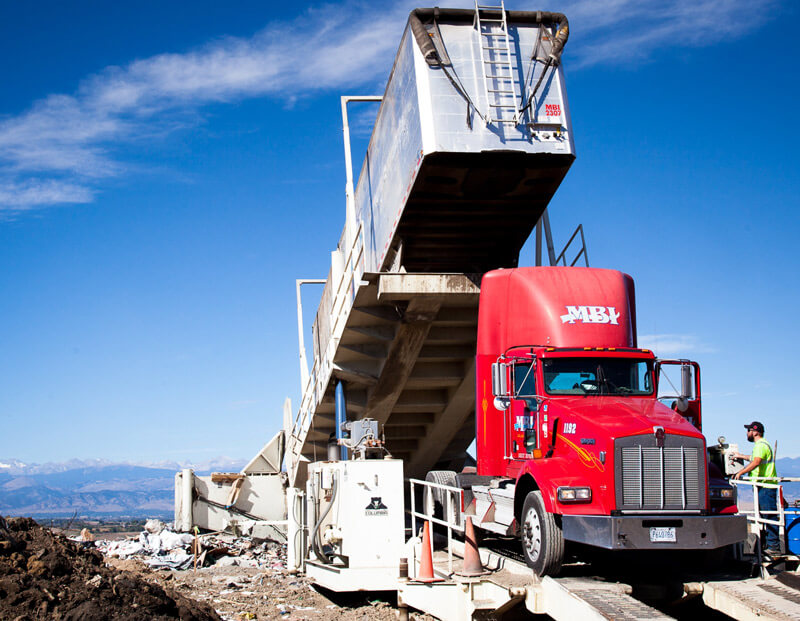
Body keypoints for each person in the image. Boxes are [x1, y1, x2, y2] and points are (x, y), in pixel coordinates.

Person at [732, 421, 780, 554]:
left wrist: (741, 472)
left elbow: (756, 462)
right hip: (763, 486)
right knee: (765, 516)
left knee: (769, 516)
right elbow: (754, 458)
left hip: (765, 486)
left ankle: (773, 546)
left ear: (755, 432)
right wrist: (740, 455)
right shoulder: (762, 445)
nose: (747, 433)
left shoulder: (761, 445)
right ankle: (769, 545)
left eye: (748, 430)